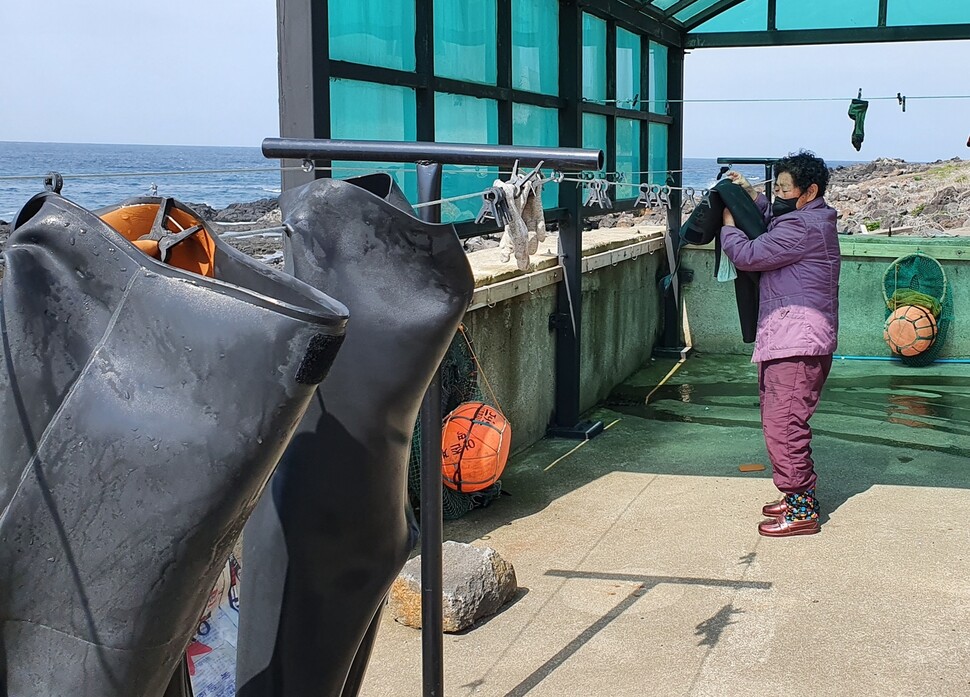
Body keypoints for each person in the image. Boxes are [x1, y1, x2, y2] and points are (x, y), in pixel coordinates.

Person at [720, 151, 840, 537]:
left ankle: (801, 509)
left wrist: (727, 226)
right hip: (791, 338)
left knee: (784, 426)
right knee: (781, 421)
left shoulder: (803, 228)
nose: (778, 195)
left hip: (796, 342)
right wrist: (749, 195)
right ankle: (795, 498)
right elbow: (772, 218)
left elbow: (749, 254)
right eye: (775, 187)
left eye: (785, 189)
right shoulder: (808, 218)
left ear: (810, 192)